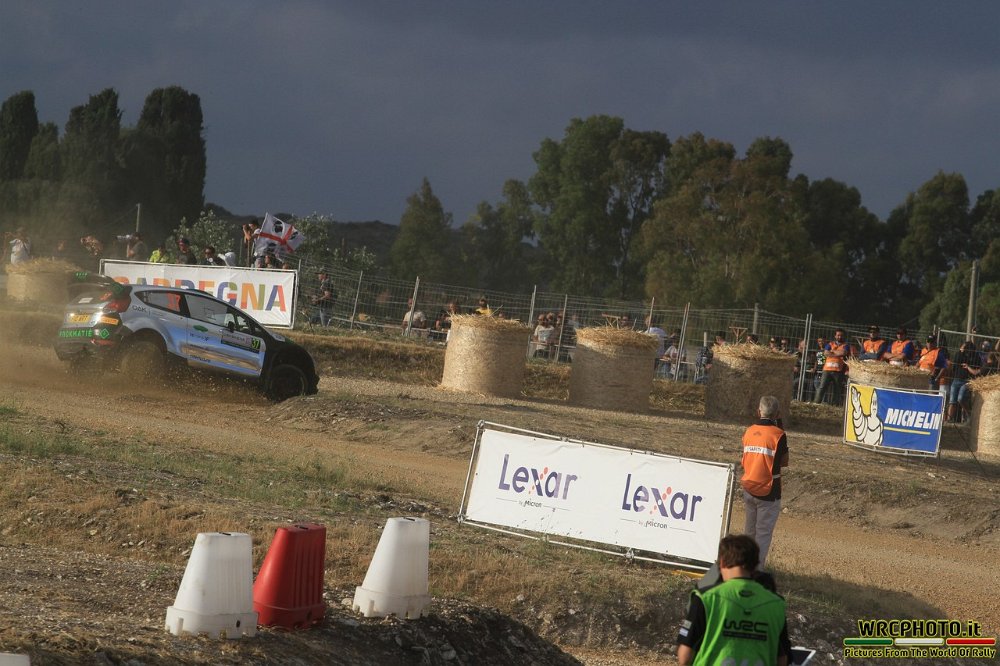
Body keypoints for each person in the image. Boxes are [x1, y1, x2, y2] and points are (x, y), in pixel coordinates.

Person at [676, 534, 790, 666]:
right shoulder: (776, 603)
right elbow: (782, 659)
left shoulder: (706, 597)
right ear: (755, 565)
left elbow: (685, 657)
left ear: (722, 562)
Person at [741, 395, 788, 569]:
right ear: (777, 414)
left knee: (749, 532)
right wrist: (780, 425)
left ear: (758, 411)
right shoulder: (779, 435)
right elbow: (784, 461)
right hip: (769, 491)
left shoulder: (749, 431)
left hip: (749, 486)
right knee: (763, 534)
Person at [814, 329, 851, 405]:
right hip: (827, 369)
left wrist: (832, 352)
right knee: (822, 387)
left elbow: (843, 353)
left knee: (837, 389)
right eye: (838, 335)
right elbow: (826, 353)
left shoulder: (846, 345)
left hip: (838, 370)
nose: (839, 337)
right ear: (835, 336)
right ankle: (816, 403)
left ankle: (835, 405)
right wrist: (837, 353)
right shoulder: (830, 344)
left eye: (841, 335)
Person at [947, 340, 981, 423]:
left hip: (967, 381)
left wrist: (968, 366)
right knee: (952, 401)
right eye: (965, 348)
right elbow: (956, 362)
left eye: (967, 348)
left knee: (961, 398)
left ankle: (969, 414)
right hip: (956, 380)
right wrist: (961, 350)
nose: (966, 350)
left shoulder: (976, 357)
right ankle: (949, 419)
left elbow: (977, 368)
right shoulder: (960, 354)